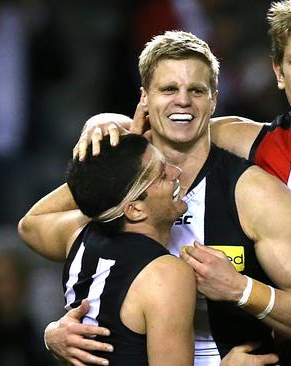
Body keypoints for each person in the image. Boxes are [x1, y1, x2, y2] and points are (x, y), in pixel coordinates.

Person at [49, 30, 291, 366]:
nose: (183, 101)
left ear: (214, 99)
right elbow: (32, 227)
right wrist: (52, 334)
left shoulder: (253, 194)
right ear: (144, 97)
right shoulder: (120, 185)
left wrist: (241, 289)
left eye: (197, 90)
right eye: (169, 89)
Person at [17, 133, 196, 365]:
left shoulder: (77, 233)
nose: (176, 172)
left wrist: (97, 170)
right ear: (135, 210)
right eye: (162, 174)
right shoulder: (166, 274)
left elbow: (29, 223)